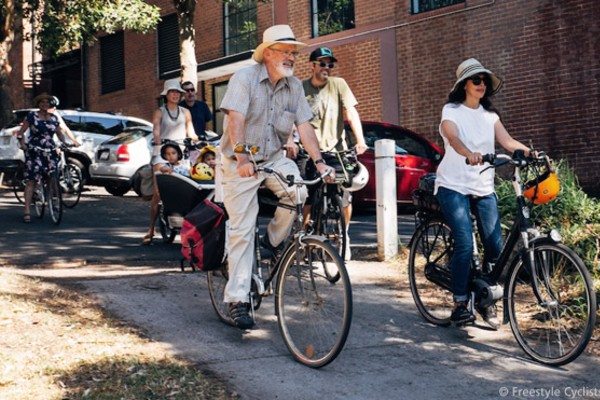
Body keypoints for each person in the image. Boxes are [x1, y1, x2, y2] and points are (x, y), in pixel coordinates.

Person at [219, 24, 332, 329]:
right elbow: (236, 119)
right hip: (237, 161)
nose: (292, 57)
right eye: (285, 51)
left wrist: (320, 163)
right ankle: (238, 300)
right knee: (242, 230)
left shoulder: (294, 86)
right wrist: (242, 157)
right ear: (268, 53)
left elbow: (305, 127)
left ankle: (271, 242)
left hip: (272, 158)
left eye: (294, 52)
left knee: (298, 192)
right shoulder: (244, 79)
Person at [434, 58, 534, 328]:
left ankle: (484, 299)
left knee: (495, 248)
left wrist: (531, 153)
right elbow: (452, 137)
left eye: (484, 81)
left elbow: (508, 141)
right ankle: (458, 303)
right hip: (452, 185)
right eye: (476, 80)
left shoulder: (490, 116)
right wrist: (469, 153)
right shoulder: (451, 110)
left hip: (482, 187)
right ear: (464, 84)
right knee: (465, 243)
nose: (481, 84)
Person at [300, 46, 368, 260]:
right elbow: (293, 118)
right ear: (312, 65)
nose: (327, 68)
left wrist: (360, 140)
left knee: (346, 194)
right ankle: (303, 237)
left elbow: (351, 112)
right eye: (322, 63)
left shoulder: (339, 85)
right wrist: (290, 142)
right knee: (308, 195)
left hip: (337, 150)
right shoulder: (301, 88)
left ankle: (344, 237)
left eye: (330, 64)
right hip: (310, 150)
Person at [144, 79, 197, 244]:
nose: (175, 95)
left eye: (177, 92)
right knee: (159, 193)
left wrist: (195, 139)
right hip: (162, 151)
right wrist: (158, 139)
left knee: (191, 186)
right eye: (172, 92)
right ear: (166, 95)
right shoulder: (159, 111)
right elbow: (156, 130)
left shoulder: (185, 112)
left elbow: (191, 131)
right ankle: (150, 228)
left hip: (180, 151)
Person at [17, 93, 69, 223]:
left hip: (49, 150)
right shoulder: (32, 116)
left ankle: (55, 202)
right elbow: (21, 132)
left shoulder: (53, 117)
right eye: (42, 102)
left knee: (53, 177)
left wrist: (64, 142)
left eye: (47, 102)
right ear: (38, 104)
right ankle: (27, 210)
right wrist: (22, 143)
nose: (45, 104)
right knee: (31, 181)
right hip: (35, 149)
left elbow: (59, 133)